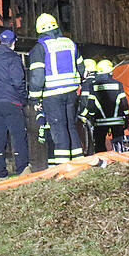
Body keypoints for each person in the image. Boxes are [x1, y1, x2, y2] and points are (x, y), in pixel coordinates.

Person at [28, 13, 85, 165]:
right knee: (71, 126)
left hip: (52, 95)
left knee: (59, 129)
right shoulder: (70, 43)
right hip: (72, 93)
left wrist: (34, 97)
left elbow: (38, 77)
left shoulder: (40, 48)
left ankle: (63, 166)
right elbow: (81, 66)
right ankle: (79, 163)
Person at [0, 29, 30, 179]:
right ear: (13, 43)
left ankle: (0, 173)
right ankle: (22, 169)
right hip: (11, 102)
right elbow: (18, 81)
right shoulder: (14, 58)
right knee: (18, 135)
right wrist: (24, 98)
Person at [80, 59, 129, 153]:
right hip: (117, 121)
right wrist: (126, 116)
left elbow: (91, 106)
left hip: (100, 122)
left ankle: (103, 164)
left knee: (100, 147)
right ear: (110, 71)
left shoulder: (93, 86)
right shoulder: (118, 84)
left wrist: (90, 116)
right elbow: (124, 104)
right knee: (119, 147)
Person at [77, 58, 98, 155]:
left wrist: (84, 115)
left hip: (89, 117)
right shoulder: (98, 81)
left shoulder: (86, 85)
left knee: (90, 143)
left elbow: (85, 102)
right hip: (101, 116)